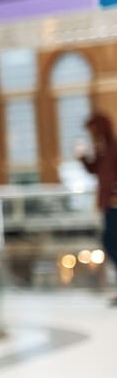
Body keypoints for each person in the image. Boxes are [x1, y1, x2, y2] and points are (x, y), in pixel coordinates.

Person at [79, 112, 117, 305]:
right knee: (110, 243)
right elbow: (95, 171)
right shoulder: (102, 149)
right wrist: (84, 158)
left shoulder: (114, 147)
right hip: (108, 207)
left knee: (111, 242)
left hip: (115, 206)